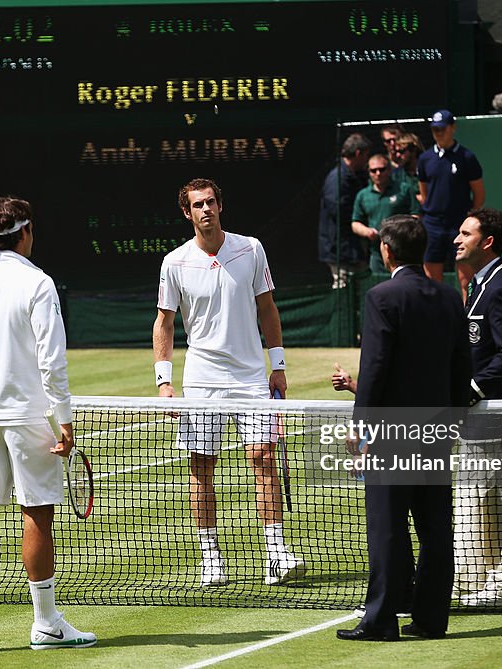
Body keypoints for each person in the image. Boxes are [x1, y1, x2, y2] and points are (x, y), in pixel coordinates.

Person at [0, 196, 96, 653]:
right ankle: (46, 625)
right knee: (37, 513)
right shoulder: (39, 283)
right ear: (25, 234)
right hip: (27, 417)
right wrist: (64, 421)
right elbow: (52, 361)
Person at [154, 177, 305, 588]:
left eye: (211, 202)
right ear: (187, 213)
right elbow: (164, 323)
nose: (206, 210)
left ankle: (276, 552)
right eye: (197, 205)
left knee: (263, 458)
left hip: (251, 377)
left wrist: (278, 365)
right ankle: (211, 559)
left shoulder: (251, 249)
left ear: (220, 205)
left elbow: (267, 309)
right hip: (202, 379)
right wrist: (164, 382)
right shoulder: (175, 263)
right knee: (202, 467)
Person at [337, 214, 470, 642]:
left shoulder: (382, 297)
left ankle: (380, 621)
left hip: (391, 434)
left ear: (387, 251)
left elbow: (373, 369)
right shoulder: (451, 298)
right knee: (435, 528)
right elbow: (460, 371)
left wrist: (359, 427)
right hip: (435, 432)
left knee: (388, 528)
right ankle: (431, 619)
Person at [452, 207, 502, 606]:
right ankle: (476, 578)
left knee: (493, 499)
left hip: (496, 414)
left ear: (487, 242)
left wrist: (470, 387)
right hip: (477, 416)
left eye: (465, 234)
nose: (456, 239)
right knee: (475, 497)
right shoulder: (482, 284)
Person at [417, 110, 485, 293]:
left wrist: (468, 221)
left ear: (452, 128)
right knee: (432, 281)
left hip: (458, 224)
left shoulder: (467, 157)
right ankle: (437, 320)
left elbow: (479, 194)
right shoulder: (425, 159)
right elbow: (423, 193)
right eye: (435, 129)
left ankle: (468, 319)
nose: (439, 133)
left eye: (442, 128)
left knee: (465, 279)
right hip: (433, 225)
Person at [318, 133, 373, 288]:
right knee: (344, 295)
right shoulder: (337, 179)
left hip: (352, 250)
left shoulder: (354, 176)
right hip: (341, 251)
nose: (367, 160)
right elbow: (338, 211)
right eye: (366, 155)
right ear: (358, 153)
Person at [350, 155, 420, 275]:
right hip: (376, 252)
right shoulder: (363, 195)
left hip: (402, 251)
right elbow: (355, 223)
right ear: (369, 172)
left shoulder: (404, 189)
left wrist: (399, 231)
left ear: (389, 170)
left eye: (382, 169)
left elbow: (416, 216)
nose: (378, 173)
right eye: (373, 170)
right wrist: (367, 231)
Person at [391, 132, 424, 211]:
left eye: (401, 151)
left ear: (413, 151)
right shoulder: (396, 174)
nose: (398, 155)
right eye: (396, 152)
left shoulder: (429, 170)